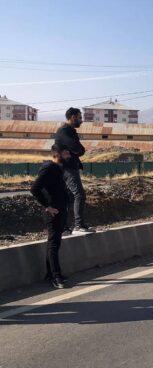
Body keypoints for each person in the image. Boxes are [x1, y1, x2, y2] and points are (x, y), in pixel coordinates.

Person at [30, 144, 72, 289]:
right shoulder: (48, 168)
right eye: (66, 153)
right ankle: (56, 277)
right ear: (57, 154)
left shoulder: (58, 168)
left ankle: (51, 273)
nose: (69, 156)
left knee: (54, 243)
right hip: (52, 212)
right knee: (54, 244)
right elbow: (34, 188)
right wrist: (47, 206)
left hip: (60, 209)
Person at [54, 107, 95, 235]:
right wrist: (76, 151)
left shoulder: (69, 131)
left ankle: (64, 227)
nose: (81, 120)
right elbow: (78, 149)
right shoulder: (65, 131)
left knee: (68, 197)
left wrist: (76, 151)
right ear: (72, 117)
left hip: (69, 167)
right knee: (79, 194)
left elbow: (78, 149)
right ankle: (79, 225)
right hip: (67, 168)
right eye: (79, 117)